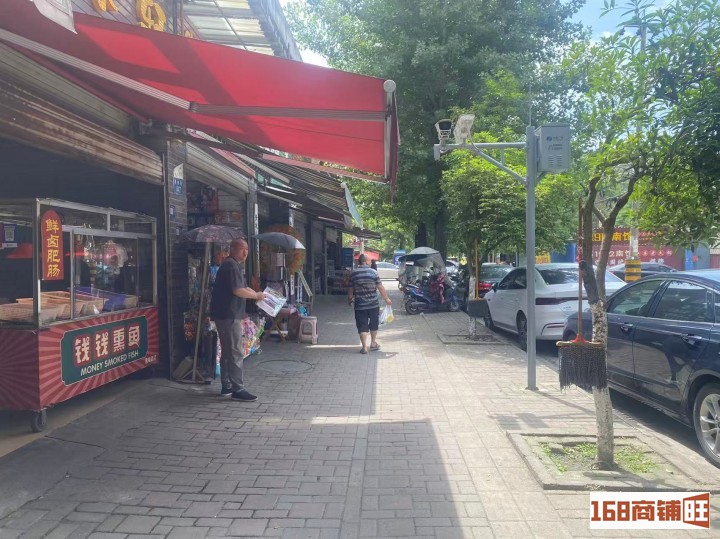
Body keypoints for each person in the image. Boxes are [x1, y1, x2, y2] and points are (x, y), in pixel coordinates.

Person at [210, 238, 267, 402]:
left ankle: (227, 386)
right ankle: (238, 389)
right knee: (235, 351)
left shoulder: (233, 265)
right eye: (242, 249)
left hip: (226, 315)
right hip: (228, 315)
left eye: (247, 249)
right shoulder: (231, 265)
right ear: (233, 249)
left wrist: (258, 294)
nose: (246, 252)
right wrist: (256, 296)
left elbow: (244, 287)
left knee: (228, 350)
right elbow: (238, 290)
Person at [348, 253, 392, 354]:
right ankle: (373, 343)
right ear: (366, 261)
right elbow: (380, 287)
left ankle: (364, 347)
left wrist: (350, 299)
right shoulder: (373, 272)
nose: (371, 263)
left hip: (360, 305)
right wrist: (387, 299)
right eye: (370, 261)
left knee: (362, 325)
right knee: (373, 324)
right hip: (373, 304)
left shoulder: (353, 273)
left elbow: (350, 289)